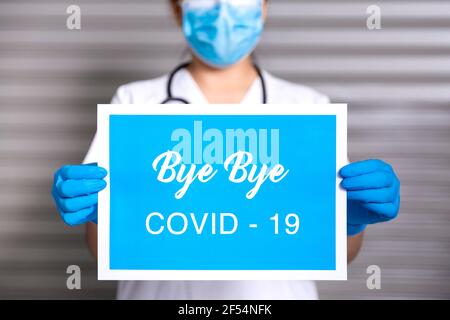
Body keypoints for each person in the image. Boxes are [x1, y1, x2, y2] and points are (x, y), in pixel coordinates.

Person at [51, 0, 400, 299]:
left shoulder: (309, 108)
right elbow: (104, 251)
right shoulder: (133, 103)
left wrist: (350, 223)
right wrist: (101, 216)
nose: (222, 12)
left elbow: (342, 251)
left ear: (263, 8)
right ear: (178, 10)